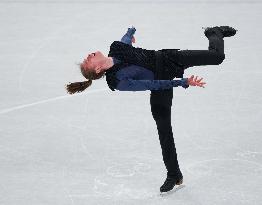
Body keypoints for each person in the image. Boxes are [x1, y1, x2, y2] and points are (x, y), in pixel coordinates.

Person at [66, 25, 237, 193]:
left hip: (169, 58)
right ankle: (174, 174)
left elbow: (125, 42)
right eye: (88, 61)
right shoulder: (118, 80)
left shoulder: (115, 47)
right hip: (160, 82)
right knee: (163, 125)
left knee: (217, 57)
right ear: (98, 68)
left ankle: (214, 32)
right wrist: (182, 82)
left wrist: (130, 31)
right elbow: (152, 84)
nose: (88, 56)